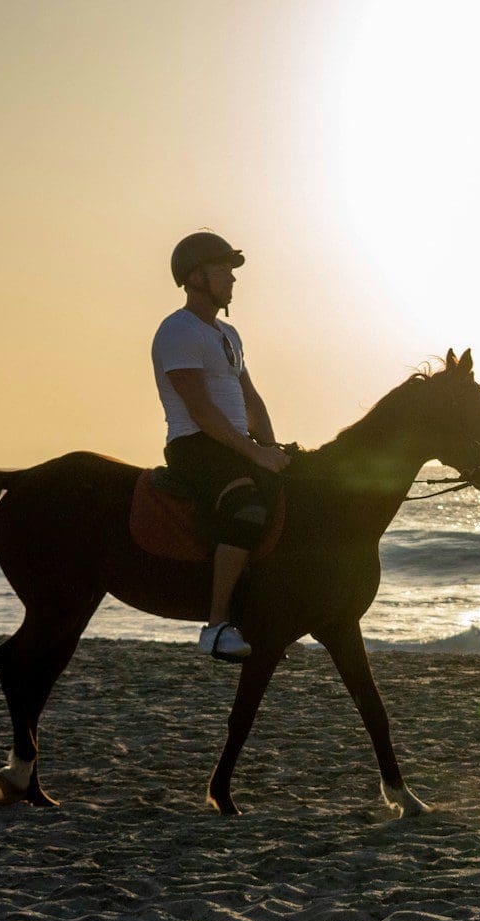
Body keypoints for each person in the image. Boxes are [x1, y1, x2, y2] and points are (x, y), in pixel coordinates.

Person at [151, 231, 290, 660]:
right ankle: (215, 628)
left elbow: (250, 398)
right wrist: (255, 454)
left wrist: (274, 447)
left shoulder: (228, 334)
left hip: (231, 445)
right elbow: (202, 412)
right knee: (247, 509)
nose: (232, 278)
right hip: (194, 445)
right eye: (224, 269)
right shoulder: (178, 331)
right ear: (196, 276)